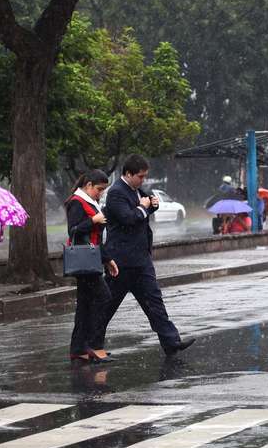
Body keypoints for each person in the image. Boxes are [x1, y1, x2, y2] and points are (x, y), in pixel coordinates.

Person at [99, 154, 195, 356]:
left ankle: (171, 342)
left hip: (141, 260)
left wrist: (151, 205)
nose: (143, 180)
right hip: (122, 262)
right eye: (140, 176)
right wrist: (143, 207)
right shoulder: (116, 192)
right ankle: (93, 345)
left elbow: (147, 208)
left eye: (144, 176)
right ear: (128, 173)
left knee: (154, 302)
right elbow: (128, 218)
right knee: (106, 307)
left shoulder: (135, 190)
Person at [65, 169, 119, 363]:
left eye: (103, 189)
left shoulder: (90, 202)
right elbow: (74, 231)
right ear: (88, 185)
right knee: (103, 298)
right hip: (84, 261)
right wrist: (92, 221)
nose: (101, 193)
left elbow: (96, 238)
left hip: (92, 259)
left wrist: (107, 259)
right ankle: (94, 345)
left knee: (85, 305)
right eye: (99, 189)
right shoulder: (76, 202)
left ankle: (79, 348)